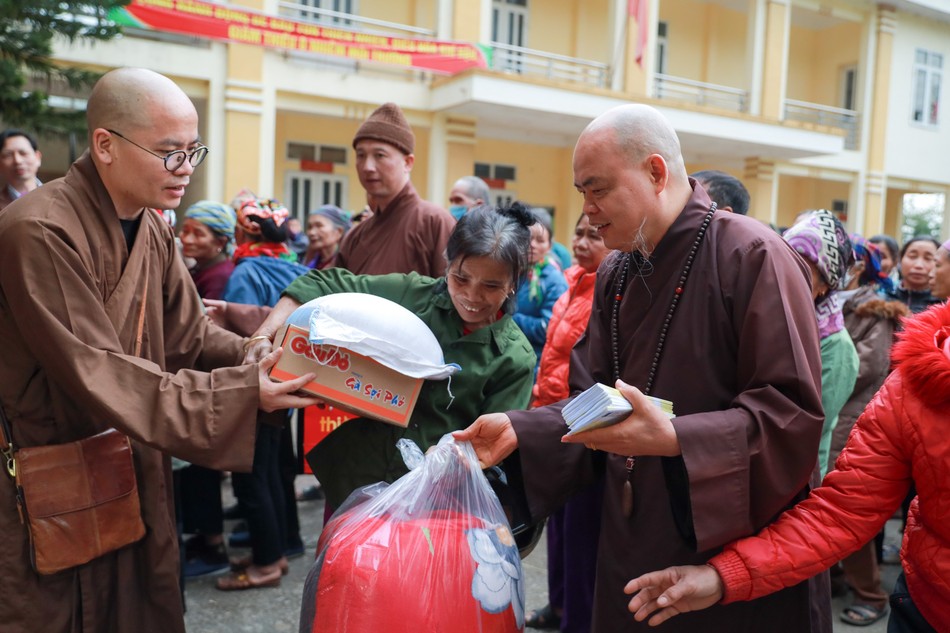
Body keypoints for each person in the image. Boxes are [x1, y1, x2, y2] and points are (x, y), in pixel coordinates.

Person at [454, 104, 826, 633]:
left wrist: (677, 439)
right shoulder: (617, 272)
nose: (587, 212)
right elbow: (593, 397)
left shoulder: (751, 254)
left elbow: (792, 417)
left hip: (724, 549)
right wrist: (523, 429)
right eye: (581, 192)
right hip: (631, 533)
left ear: (655, 172)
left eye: (598, 189)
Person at [0, 68, 317, 633]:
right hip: (56, 467)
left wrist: (257, 353)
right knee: (68, 610)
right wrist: (245, 391)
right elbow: (96, 367)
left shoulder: (152, 226)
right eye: (170, 152)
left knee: (141, 601)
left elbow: (189, 338)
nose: (187, 168)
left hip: (132, 456)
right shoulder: (39, 230)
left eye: (192, 149)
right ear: (106, 146)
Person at [625, 300, 950, 633]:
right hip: (929, 609)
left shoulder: (840, 347)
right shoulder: (914, 387)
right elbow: (842, 513)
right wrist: (724, 575)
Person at [250, 203, 538, 511]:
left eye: (491, 286)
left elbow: (490, 450)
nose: (471, 296)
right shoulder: (413, 295)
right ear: (447, 264)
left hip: (434, 505)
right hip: (357, 478)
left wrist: (455, 461)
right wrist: (263, 335)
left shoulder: (514, 357)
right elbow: (320, 283)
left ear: (515, 282)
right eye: (460, 278)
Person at [215, 196, 311, 591]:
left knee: (251, 479)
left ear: (241, 232)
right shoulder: (297, 272)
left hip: (256, 386)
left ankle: (267, 563)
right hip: (289, 381)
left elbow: (238, 339)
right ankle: (279, 548)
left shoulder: (246, 272)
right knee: (273, 471)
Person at [527, 213, 611, 633]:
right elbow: (552, 353)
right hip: (552, 420)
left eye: (594, 235)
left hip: (582, 424)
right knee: (556, 528)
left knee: (580, 538)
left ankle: (576, 621)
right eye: (578, 233)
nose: (582, 242)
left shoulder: (610, 290)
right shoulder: (573, 280)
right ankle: (558, 606)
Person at [829, 235, 907, 626]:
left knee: (846, 509)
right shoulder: (836, 302)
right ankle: (835, 575)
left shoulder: (877, 310)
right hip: (831, 415)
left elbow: (866, 368)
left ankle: (871, 594)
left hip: (852, 421)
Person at [176, 199, 239, 577]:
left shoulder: (218, 279)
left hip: (210, 384)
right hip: (201, 382)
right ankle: (204, 538)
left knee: (202, 472)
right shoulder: (203, 270)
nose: (187, 238)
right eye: (185, 230)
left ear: (221, 241)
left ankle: (213, 546)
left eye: (197, 233)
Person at [336, 102, 455, 277]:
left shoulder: (434, 222)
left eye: (380, 155)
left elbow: (454, 294)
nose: (367, 166)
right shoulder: (355, 237)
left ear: (407, 162)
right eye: (361, 155)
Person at [783, 210, 859, 477]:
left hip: (796, 475)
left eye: (805, 267)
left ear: (826, 284)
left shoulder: (837, 347)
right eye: (784, 259)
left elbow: (811, 424)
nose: (789, 273)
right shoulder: (769, 317)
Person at [514, 207, 568, 369]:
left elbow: (548, 327)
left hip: (534, 363)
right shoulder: (512, 272)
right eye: (527, 238)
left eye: (540, 240)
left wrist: (509, 319)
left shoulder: (554, 280)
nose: (532, 245)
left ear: (549, 245)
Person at [883, 236, 942, 313]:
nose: (918, 265)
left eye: (928, 258)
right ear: (900, 260)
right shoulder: (881, 297)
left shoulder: (943, 304)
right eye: (912, 256)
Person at [0, 129, 43, 211]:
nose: (17, 161)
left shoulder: (59, 196)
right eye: (8, 155)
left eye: (23, 153)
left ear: (37, 158)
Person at [302, 204, 351, 269]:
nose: (311, 232)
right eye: (309, 227)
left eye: (319, 226)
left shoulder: (347, 264)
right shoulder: (310, 263)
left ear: (339, 232)